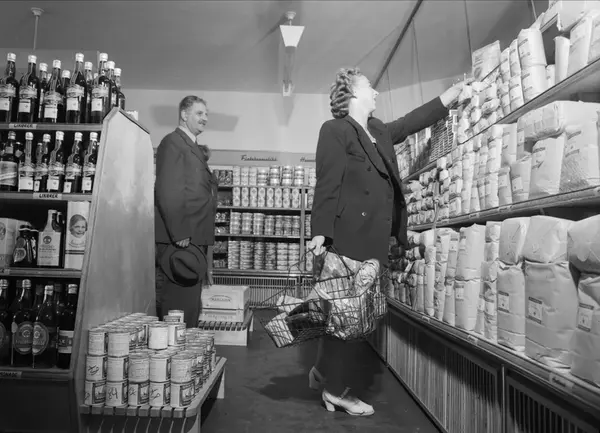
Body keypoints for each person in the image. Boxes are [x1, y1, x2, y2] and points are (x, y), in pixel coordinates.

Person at [307, 67, 466, 416]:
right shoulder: (335, 130)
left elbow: (409, 123)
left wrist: (447, 99)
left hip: (374, 240)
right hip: (349, 239)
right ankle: (336, 391)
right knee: (350, 320)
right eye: (370, 86)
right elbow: (327, 182)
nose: (376, 92)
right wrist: (320, 230)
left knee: (345, 316)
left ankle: (321, 373)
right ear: (352, 92)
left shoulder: (377, 130)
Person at [154, 95, 217, 327]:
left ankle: (183, 347)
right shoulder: (173, 142)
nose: (204, 118)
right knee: (178, 306)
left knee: (189, 306)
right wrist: (179, 232)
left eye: (206, 114)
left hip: (192, 238)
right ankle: (174, 347)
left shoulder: (191, 146)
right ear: (183, 114)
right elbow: (168, 188)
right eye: (199, 113)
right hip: (180, 240)